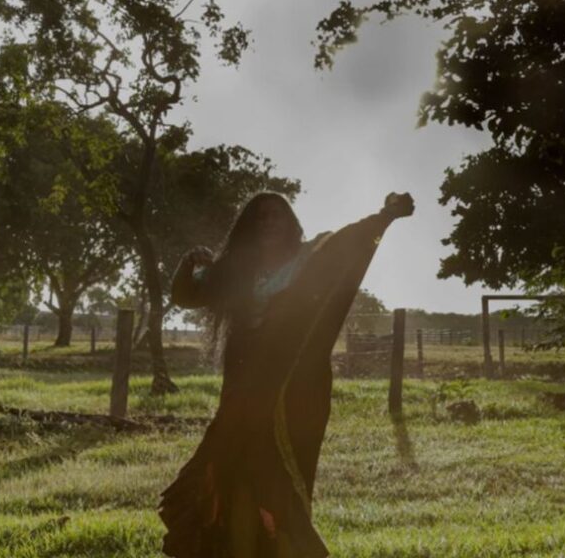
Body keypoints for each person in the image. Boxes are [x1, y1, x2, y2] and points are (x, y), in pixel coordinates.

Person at [159, 191, 414, 558]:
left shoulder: (311, 259)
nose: (268, 222)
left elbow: (351, 240)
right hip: (242, 392)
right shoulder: (236, 272)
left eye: (275, 214)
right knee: (226, 464)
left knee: (276, 476)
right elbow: (186, 296)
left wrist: (386, 215)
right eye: (260, 216)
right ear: (248, 226)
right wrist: (189, 263)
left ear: (290, 222)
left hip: (294, 391)